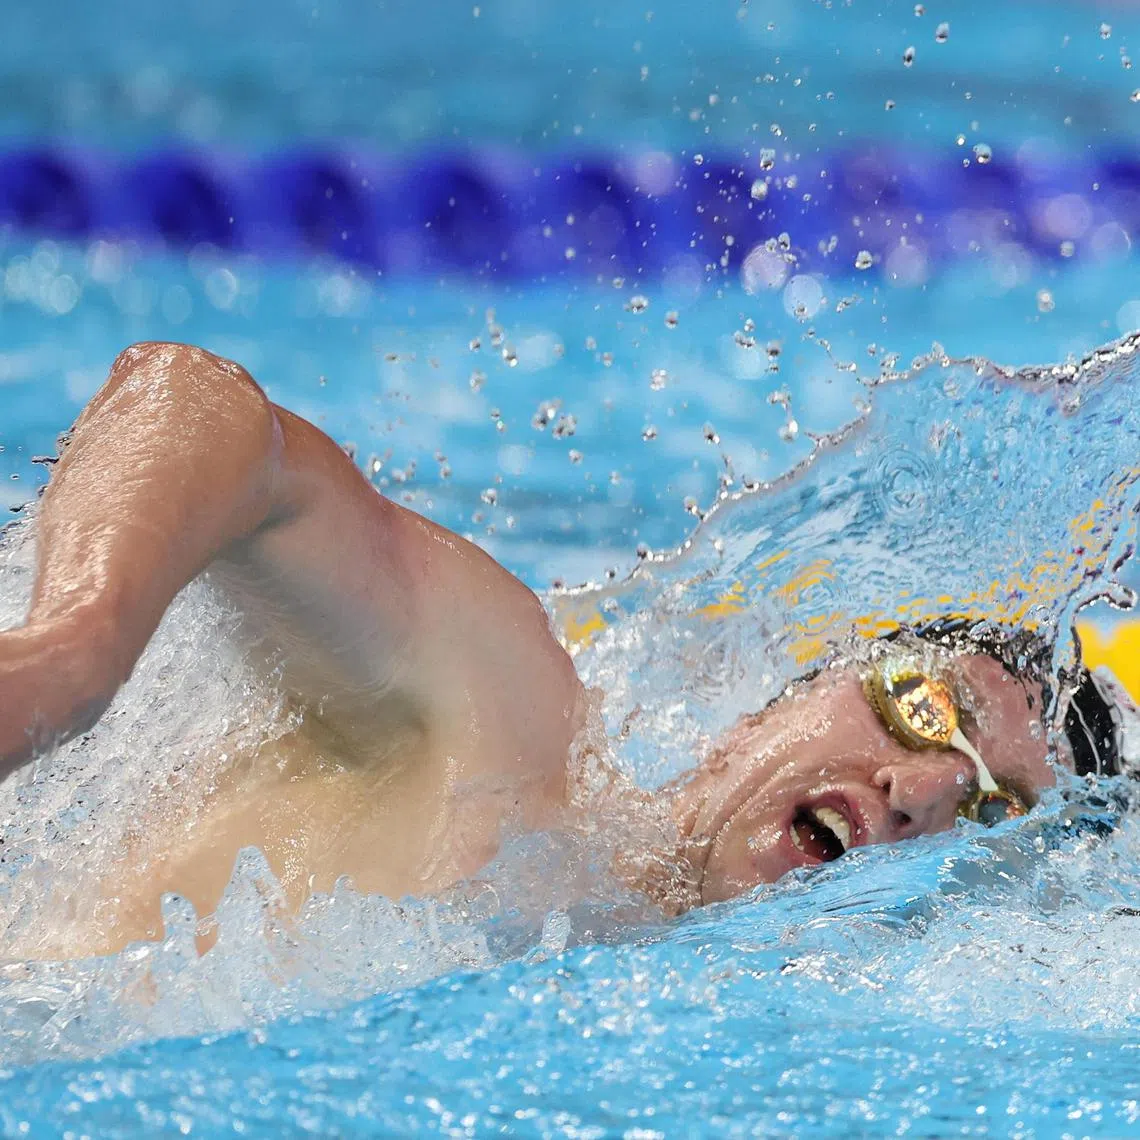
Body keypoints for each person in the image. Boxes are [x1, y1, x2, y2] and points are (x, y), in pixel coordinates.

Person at [0, 342, 1126, 957]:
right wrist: (75, 647)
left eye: (992, 815)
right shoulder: (501, 730)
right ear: (761, 715)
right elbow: (202, 408)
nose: (922, 788)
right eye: (920, 710)